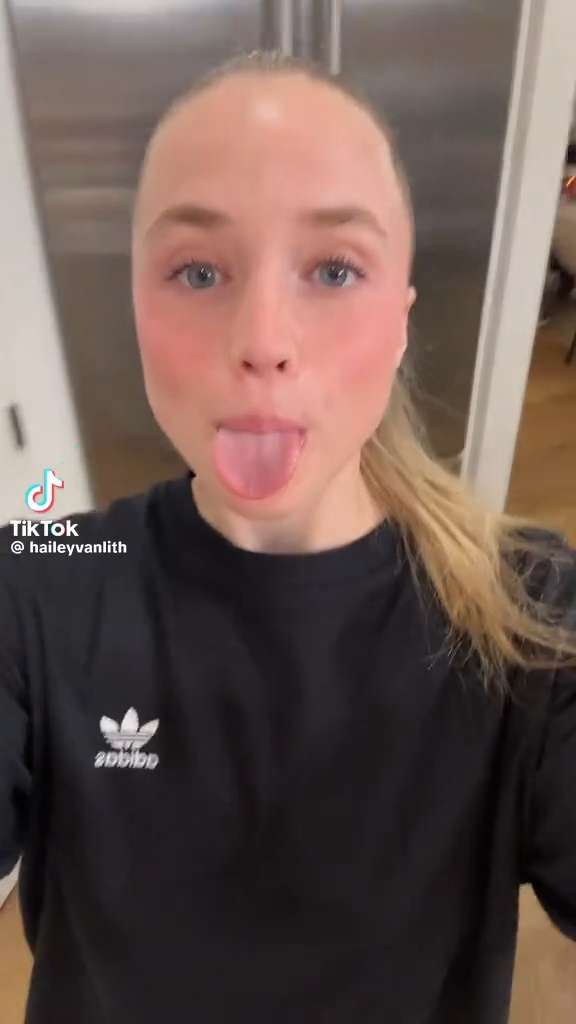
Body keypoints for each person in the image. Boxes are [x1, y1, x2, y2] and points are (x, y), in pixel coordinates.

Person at [1, 49, 575, 1024]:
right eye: (197, 271)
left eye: (335, 269)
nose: (262, 339)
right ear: (136, 306)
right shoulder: (37, 586)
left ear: (401, 322)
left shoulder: (535, 619)